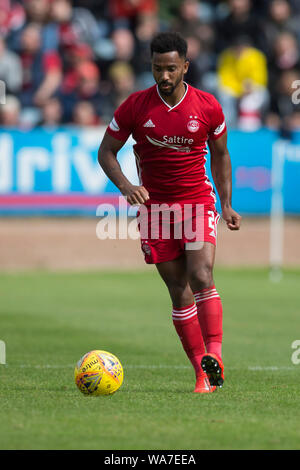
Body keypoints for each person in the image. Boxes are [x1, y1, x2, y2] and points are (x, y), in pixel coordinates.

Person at [98, 32, 241, 394]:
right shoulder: (135, 107)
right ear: (151, 66)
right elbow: (106, 152)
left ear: (185, 68)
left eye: (171, 69)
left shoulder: (207, 106)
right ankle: (202, 373)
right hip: (155, 210)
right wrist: (127, 187)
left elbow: (221, 155)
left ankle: (216, 356)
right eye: (158, 68)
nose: (164, 76)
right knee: (178, 290)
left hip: (196, 201)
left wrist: (225, 204)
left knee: (202, 275)